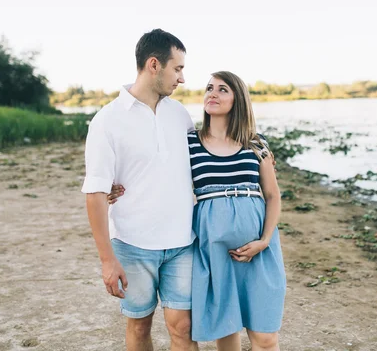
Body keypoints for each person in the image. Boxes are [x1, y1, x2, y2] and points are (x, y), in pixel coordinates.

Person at [110, 71, 287, 351]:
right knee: (226, 331)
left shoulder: (256, 143)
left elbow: (273, 195)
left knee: (266, 338)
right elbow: (154, 169)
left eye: (222, 89)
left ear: (238, 98)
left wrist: (264, 240)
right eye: (209, 88)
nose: (213, 94)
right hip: (213, 249)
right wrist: (114, 186)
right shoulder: (190, 143)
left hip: (260, 249)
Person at [81, 28, 198, 351]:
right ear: (153, 65)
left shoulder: (180, 114)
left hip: (182, 243)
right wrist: (107, 260)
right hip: (133, 244)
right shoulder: (106, 121)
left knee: (184, 328)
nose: (183, 78)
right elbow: (94, 192)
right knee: (139, 326)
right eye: (178, 68)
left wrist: (258, 157)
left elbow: (207, 156)